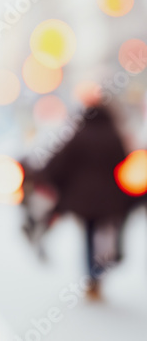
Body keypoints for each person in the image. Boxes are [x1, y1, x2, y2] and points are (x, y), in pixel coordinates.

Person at [37, 105, 132, 300]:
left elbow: (58, 164)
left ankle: (92, 277)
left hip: (84, 200)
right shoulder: (114, 137)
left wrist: (42, 176)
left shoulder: (79, 137)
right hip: (109, 199)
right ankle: (99, 272)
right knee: (105, 234)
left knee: (89, 235)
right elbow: (125, 164)